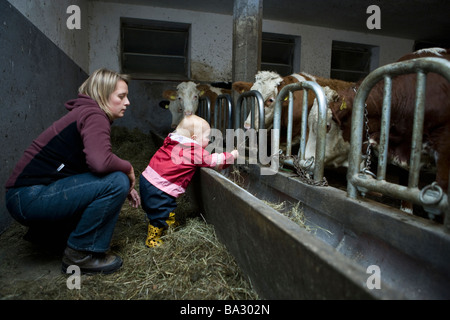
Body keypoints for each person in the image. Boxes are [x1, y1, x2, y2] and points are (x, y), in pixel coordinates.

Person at [5, 68, 141, 275]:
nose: (127, 102)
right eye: (121, 96)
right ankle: (80, 255)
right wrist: (128, 169)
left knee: (114, 181)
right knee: (117, 181)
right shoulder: (95, 115)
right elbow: (100, 163)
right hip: (29, 198)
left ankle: (50, 238)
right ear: (103, 95)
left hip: (25, 196)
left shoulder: (86, 113)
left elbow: (89, 166)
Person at [140, 115, 238, 247]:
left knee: (162, 207)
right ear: (194, 138)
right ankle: (152, 239)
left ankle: (168, 222)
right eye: (207, 137)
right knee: (161, 211)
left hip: (147, 180)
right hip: (160, 188)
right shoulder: (193, 150)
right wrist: (232, 156)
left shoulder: (171, 142)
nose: (209, 141)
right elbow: (215, 161)